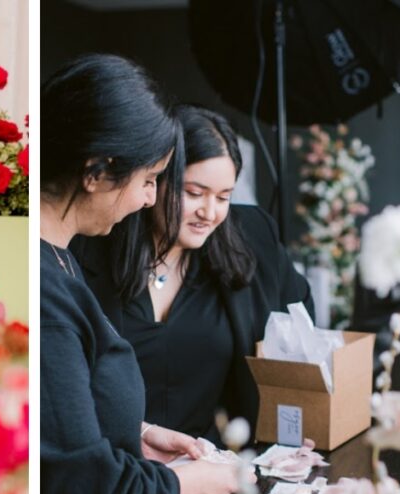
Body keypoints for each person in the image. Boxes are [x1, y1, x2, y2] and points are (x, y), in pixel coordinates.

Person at [41, 56, 244, 494]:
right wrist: (186, 482)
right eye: (151, 179)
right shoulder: (49, 287)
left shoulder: (62, 259)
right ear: (98, 171)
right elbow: (85, 491)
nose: (150, 197)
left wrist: (137, 433)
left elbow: (61, 418)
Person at [72, 105, 314, 444]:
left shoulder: (254, 237)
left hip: (221, 470)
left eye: (224, 197)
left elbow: (301, 333)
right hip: (118, 470)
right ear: (153, 180)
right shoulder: (87, 250)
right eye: (194, 193)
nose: (210, 213)